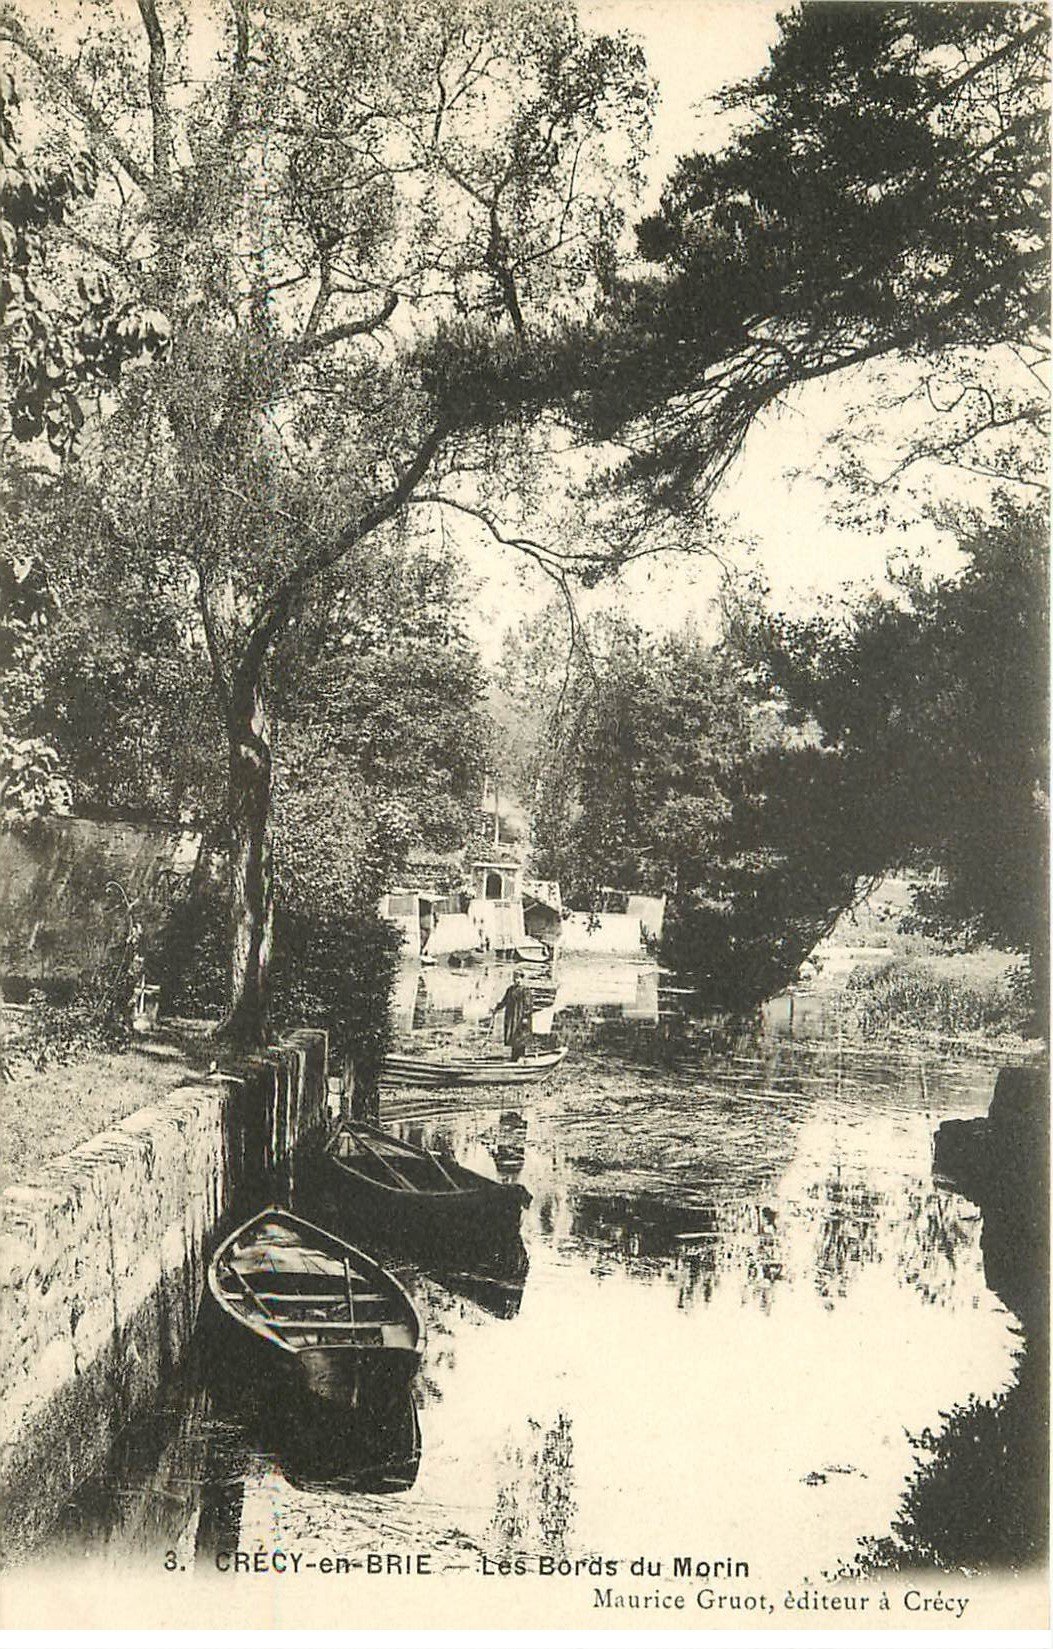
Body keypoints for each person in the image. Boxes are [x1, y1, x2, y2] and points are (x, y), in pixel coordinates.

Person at [489, 970, 533, 1061]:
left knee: (520, 1037)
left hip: (521, 1017)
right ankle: (514, 1057)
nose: (516, 980)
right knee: (513, 1037)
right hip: (511, 1017)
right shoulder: (510, 990)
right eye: (515, 978)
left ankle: (521, 1057)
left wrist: (525, 1017)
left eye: (518, 978)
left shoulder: (525, 990)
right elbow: (504, 1001)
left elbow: (528, 1005)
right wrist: (496, 1009)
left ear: (522, 978)